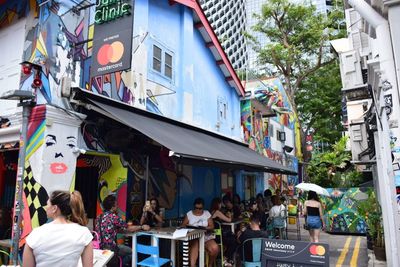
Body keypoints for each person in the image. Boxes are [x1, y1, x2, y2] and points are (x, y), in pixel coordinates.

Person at [23, 190, 93, 267]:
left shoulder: (35, 234)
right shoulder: (84, 233)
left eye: (47, 204)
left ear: (54, 208)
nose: (46, 208)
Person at [96, 195, 150, 267]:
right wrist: (142, 227)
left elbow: (110, 229)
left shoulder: (99, 217)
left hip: (99, 248)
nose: (117, 206)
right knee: (132, 252)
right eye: (116, 205)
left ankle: (120, 263)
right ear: (112, 207)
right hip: (111, 249)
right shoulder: (113, 217)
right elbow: (129, 228)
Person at [181, 197, 219, 267]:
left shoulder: (206, 213)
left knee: (215, 248)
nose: (198, 210)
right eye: (196, 208)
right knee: (195, 243)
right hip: (193, 237)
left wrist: (205, 228)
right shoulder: (189, 214)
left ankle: (210, 264)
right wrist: (188, 226)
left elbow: (212, 226)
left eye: (200, 208)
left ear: (203, 207)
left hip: (205, 236)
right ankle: (193, 265)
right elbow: (183, 226)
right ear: (194, 206)